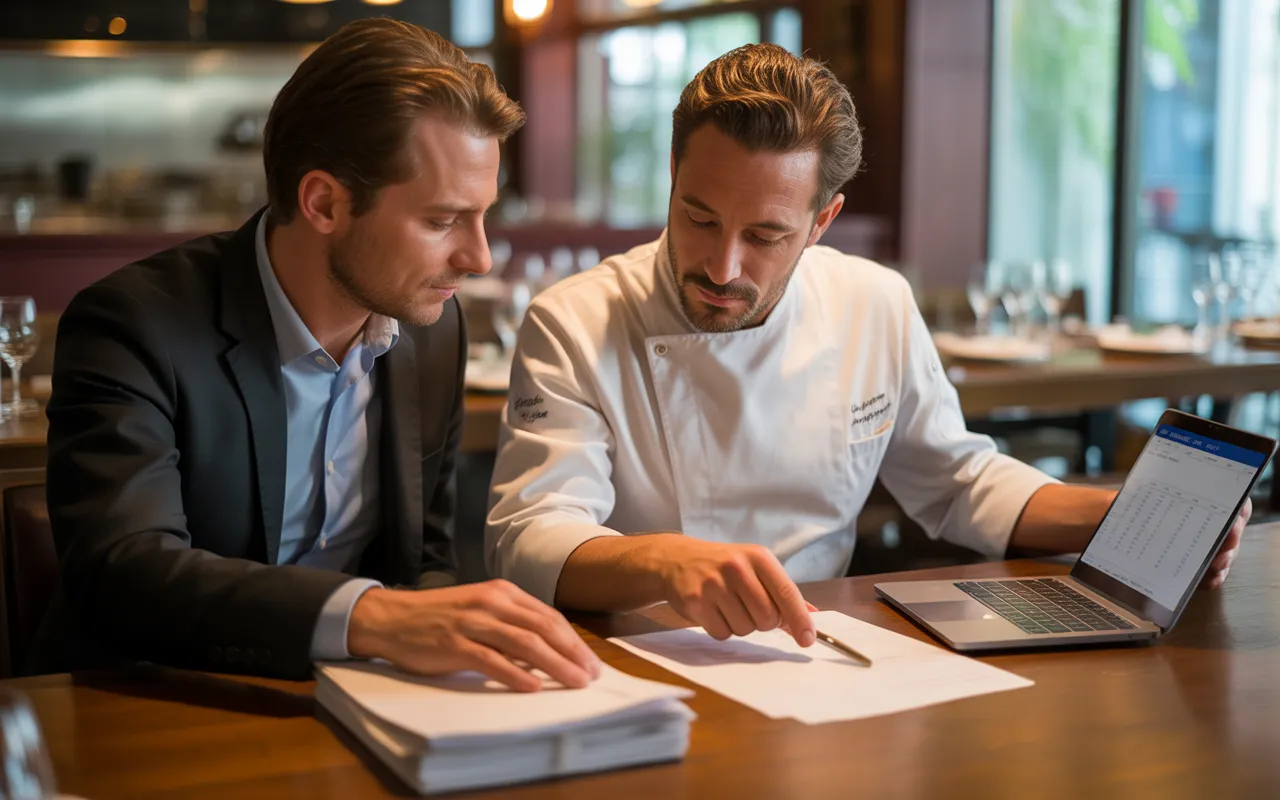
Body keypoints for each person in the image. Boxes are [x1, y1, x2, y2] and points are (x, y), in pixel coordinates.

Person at [485, 43, 1247, 645]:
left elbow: (956, 483)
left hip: (822, 644)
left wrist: (1123, 513)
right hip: (640, 652)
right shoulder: (575, 320)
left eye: (765, 236)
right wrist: (665, 560)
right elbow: (530, 535)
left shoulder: (873, 302)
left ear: (821, 222)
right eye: (700, 217)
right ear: (674, 174)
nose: (722, 266)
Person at [37, 19, 601, 691]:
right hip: (149, 705)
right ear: (325, 203)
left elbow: (425, 557)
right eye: (442, 221)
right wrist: (375, 618)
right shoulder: (135, 324)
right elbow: (124, 573)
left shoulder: (432, 329)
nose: (477, 258)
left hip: (353, 700)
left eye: (483, 216)